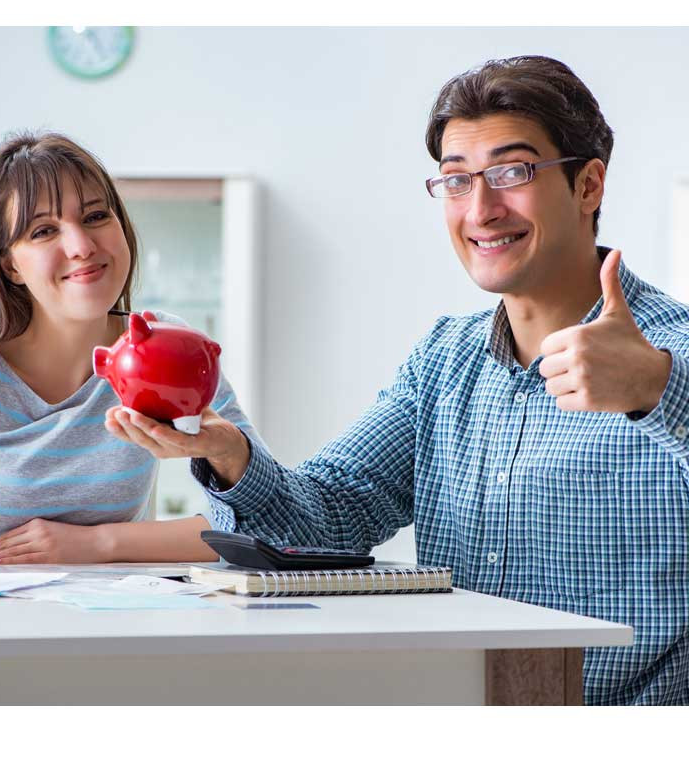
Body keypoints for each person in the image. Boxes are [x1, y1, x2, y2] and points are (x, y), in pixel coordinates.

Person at [111, 56, 689, 705]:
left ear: (589, 186)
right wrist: (230, 455)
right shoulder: (442, 362)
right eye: (456, 180)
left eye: (512, 172)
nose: (482, 209)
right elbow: (325, 522)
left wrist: (657, 386)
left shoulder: (671, 349)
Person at [0, 132, 262, 566]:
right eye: (44, 230)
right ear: (10, 265)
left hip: (104, 625)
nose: (82, 247)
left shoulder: (164, 346)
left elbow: (264, 520)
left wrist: (96, 544)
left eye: (96, 216)